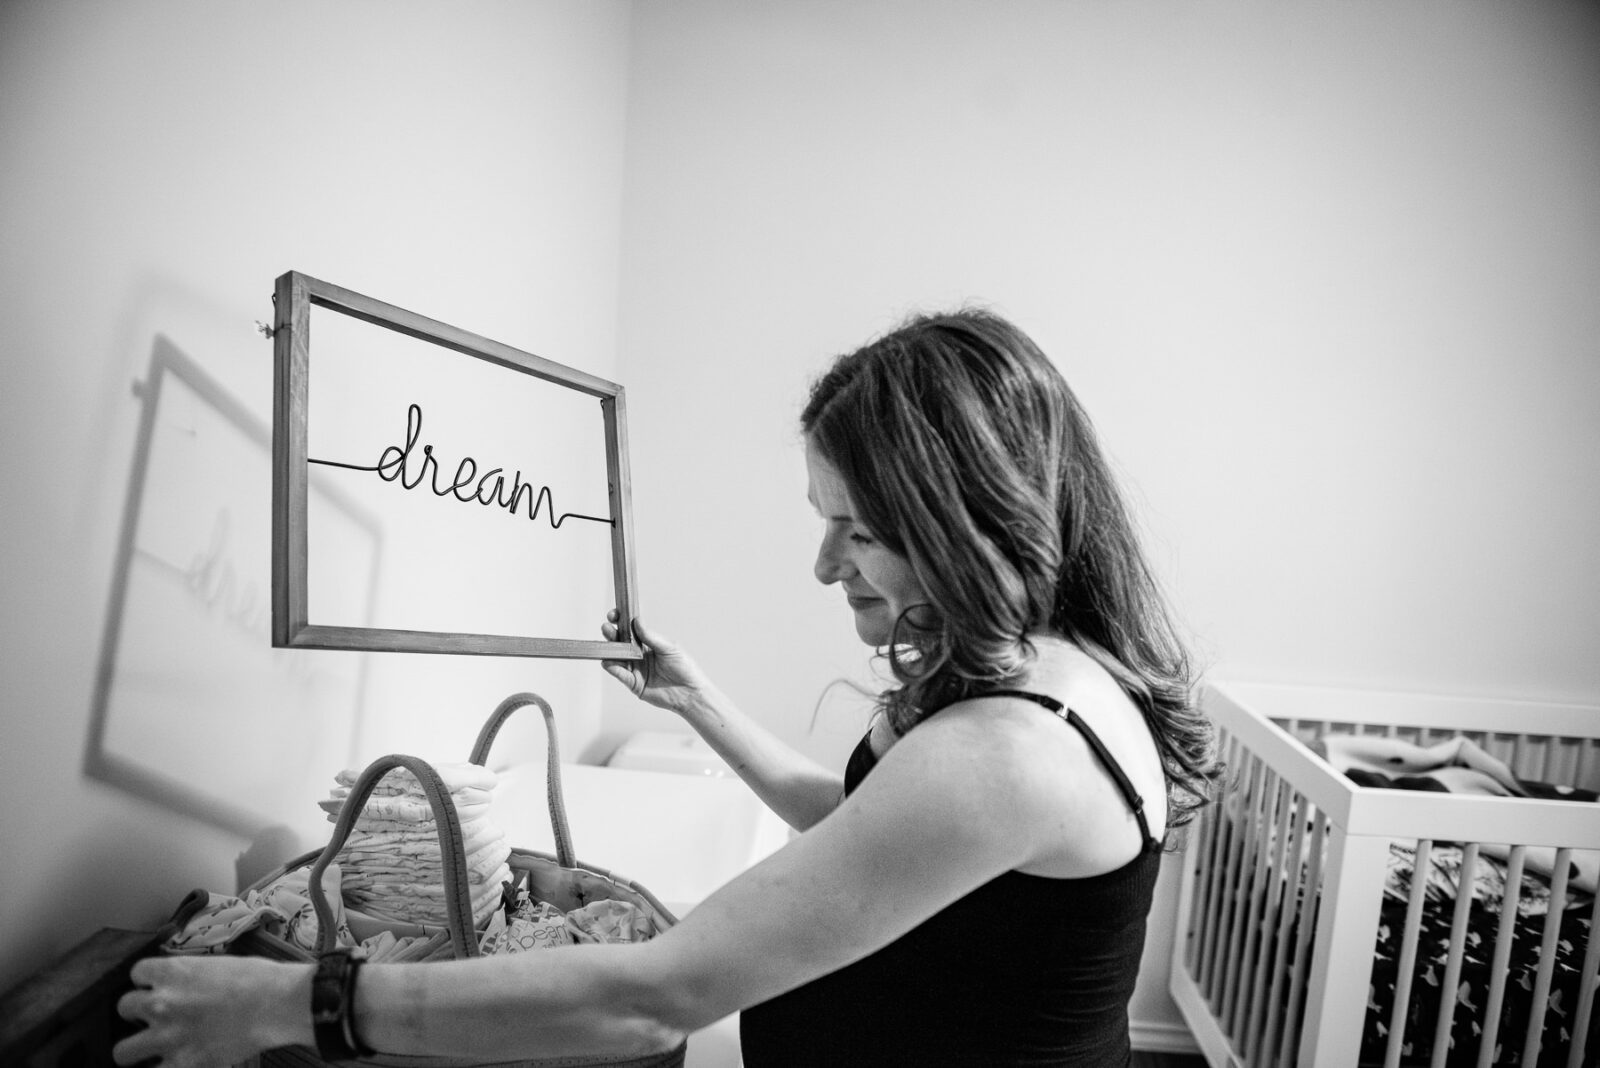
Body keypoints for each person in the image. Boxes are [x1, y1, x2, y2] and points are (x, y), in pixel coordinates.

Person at [114, 309, 1216, 1068]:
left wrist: (290, 1005)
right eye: (820, 519)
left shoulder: (1009, 751)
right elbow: (869, 832)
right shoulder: (1038, 671)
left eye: (861, 530)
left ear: (966, 527)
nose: (826, 567)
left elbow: (656, 996)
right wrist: (698, 705)